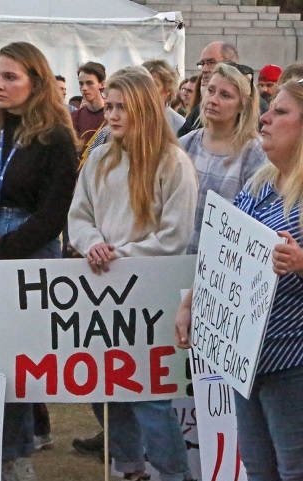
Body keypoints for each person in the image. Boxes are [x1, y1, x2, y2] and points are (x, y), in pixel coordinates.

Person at [0, 42, 78, 480]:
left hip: (28, 249)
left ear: (36, 82)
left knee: (17, 359)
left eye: (10, 77)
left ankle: (18, 452)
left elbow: (53, 213)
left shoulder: (56, 138)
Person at [68, 66, 197, 481]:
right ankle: (129, 468)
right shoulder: (100, 158)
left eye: (122, 107)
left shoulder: (174, 163)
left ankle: (174, 473)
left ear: (144, 108)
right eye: (109, 107)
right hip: (101, 289)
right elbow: (79, 215)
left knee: (150, 397)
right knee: (107, 389)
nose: (112, 115)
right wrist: (92, 243)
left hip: (151, 296)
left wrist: (119, 254)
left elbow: (175, 236)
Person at [177, 78, 303, 481]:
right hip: (246, 357)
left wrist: (301, 262)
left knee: (294, 469)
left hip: (294, 360)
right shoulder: (260, 184)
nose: (265, 118)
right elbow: (223, 255)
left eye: (280, 112)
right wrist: (192, 302)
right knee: (258, 467)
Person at [181, 62, 266, 253]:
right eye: (211, 90)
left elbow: (255, 221)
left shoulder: (254, 153)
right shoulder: (185, 144)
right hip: (179, 259)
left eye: (225, 95)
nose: (213, 99)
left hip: (224, 259)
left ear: (242, 104)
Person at [177, 41, 239, 137]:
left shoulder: (253, 106)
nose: (204, 69)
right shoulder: (200, 110)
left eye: (211, 62)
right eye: (202, 64)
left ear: (230, 64)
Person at [71, 61, 106, 149]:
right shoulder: (74, 117)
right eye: (81, 84)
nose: (84, 88)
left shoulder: (112, 116)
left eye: (89, 83)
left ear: (101, 84)